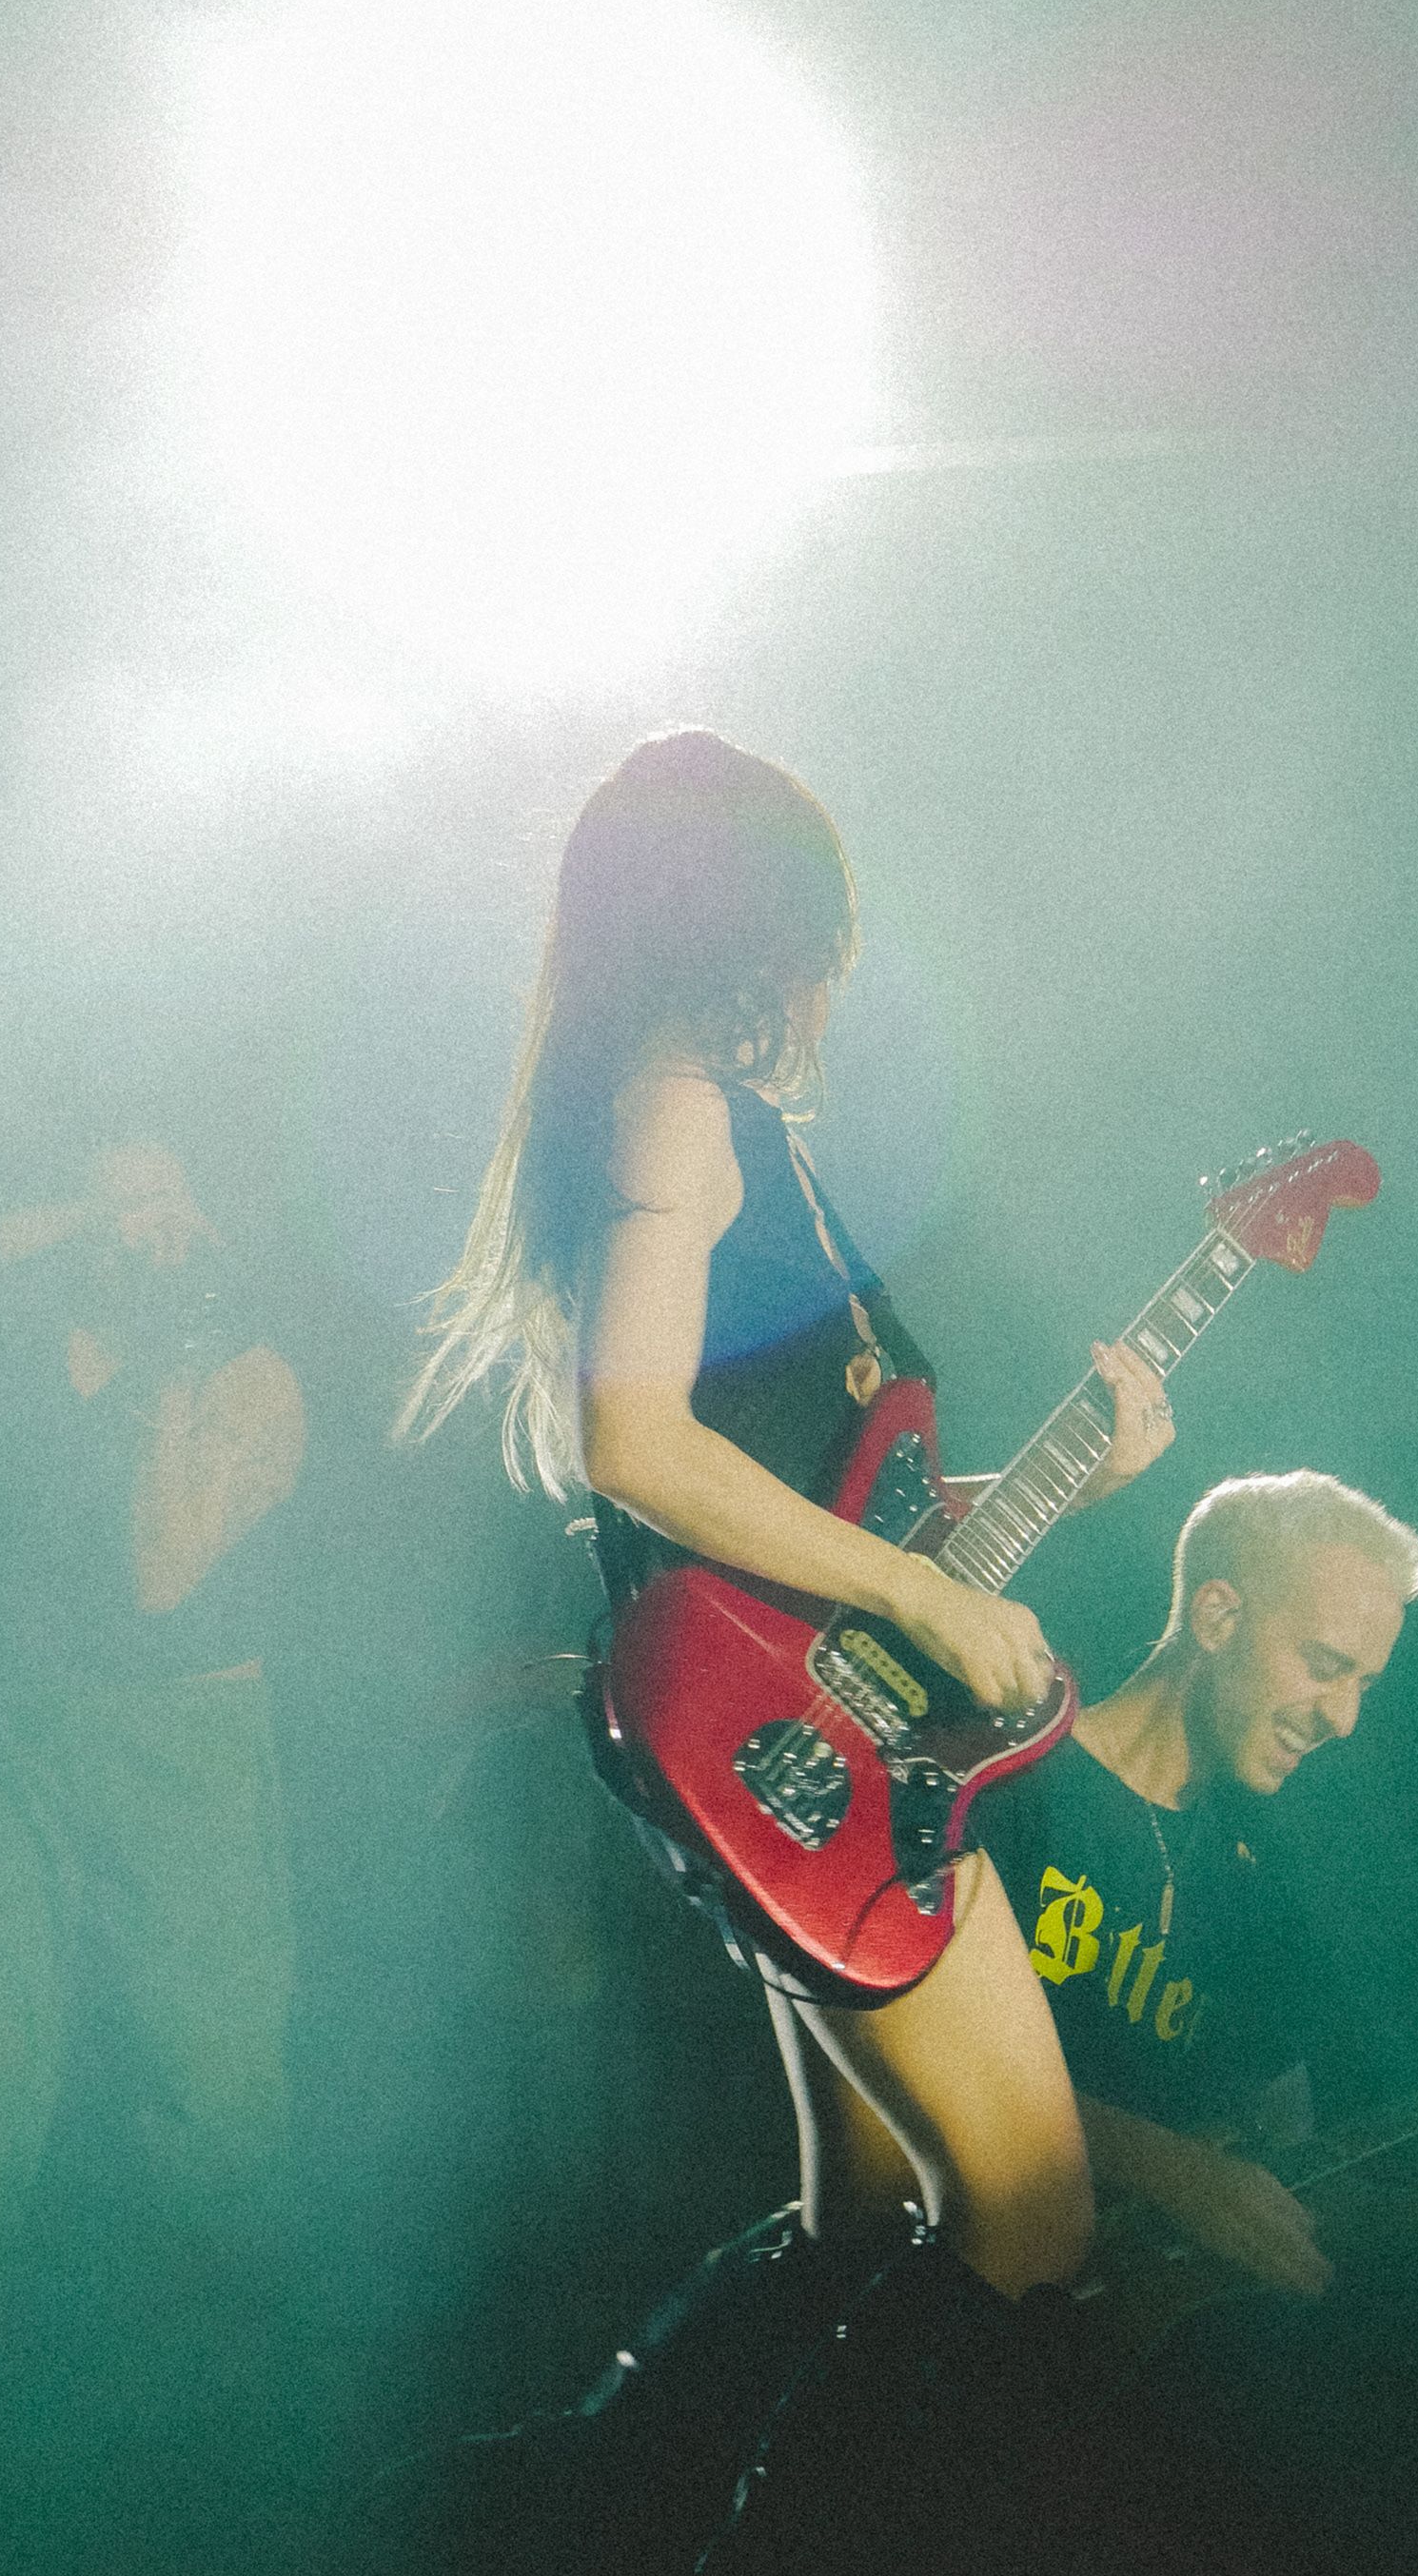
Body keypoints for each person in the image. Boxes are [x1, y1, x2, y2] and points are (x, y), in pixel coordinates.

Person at [401, 727, 1178, 2308]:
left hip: (820, 1736)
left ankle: (730, 2464)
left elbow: (819, 1499)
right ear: (763, 932)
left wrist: (1060, 1488)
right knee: (1036, 2223)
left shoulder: (736, 1136)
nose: (834, 983)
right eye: (825, 939)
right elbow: (634, 1439)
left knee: (865, 2233)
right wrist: (923, 1595)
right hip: (790, 1739)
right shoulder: (677, 1108)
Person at [828, 1470, 1418, 2296]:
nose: (1343, 1719)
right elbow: (903, 2057)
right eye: (1324, 1665)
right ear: (1218, 1616)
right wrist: (1168, 2167)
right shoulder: (995, 1773)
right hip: (878, 2300)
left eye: (1363, 1685)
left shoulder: (1261, 1899)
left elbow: (1263, 2202)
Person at [0, 1137, 305, 2283]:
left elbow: (160, 1570)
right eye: (120, 1201)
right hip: (5, 1737)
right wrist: (60, 1226)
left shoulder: (249, 1377)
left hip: (181, 1746)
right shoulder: (6, 1344)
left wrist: (175, 1358)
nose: (146, 1227)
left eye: (168, 1198)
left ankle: (208, 2337)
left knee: (211, 2086)